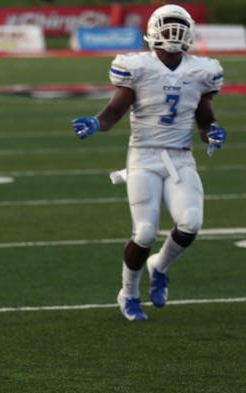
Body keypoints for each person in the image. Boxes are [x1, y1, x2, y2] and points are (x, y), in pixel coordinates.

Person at [71, 4, 226, 321]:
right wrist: (96, 123)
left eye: (179, 26)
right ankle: (128, 293)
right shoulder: (137, 66)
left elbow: (205, 118)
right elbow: (115, 112)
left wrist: (213, 132)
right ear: (154, 30)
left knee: (191, 223)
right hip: (143, 155)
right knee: (143, 232)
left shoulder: (202, 71)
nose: (174, 32)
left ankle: (160, 265)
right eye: (168, 26)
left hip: (181, 157)